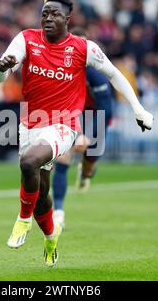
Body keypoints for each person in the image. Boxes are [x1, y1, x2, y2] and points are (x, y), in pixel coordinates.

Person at [0, 0, 153, 267]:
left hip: (64, 124)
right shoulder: (26, 39)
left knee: (29, 162)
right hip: (29, 122)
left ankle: (22, 220)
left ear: (68, 19)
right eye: (45, 13)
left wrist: (138, 109)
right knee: (41, 193)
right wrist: (2, 68)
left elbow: (115, 74)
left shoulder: (83, 48)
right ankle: (51, 237)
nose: (48, 18)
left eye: (55, 14)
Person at [52, 28, 115, 230]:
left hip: (96, 115)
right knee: (63, 157)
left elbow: (107, 108)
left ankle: (85, 173)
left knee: (89, 163)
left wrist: (88, 135)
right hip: (71, 113)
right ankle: (58, 211)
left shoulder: (96, 72)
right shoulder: (61, 68)